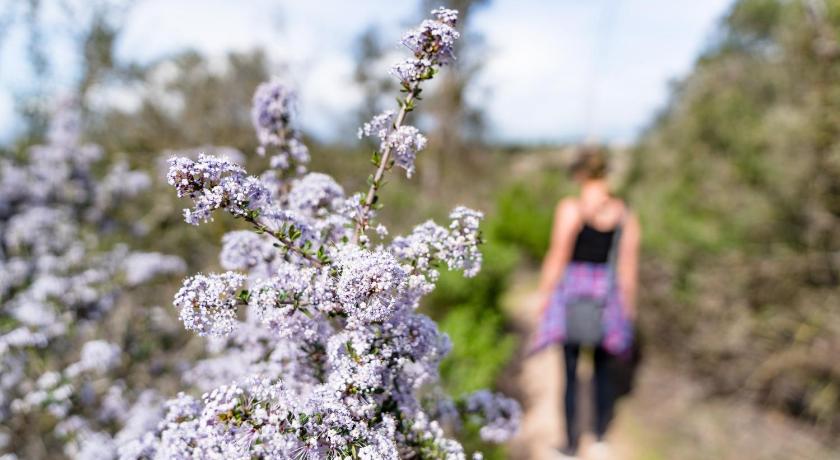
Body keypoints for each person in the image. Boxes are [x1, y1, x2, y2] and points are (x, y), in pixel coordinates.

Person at [531, 146, 640, 459]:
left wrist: (544, 296)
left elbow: (557, 256)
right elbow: (628, 267)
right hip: (608, 297)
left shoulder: (571, 209)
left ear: (579, 173)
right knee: (604, 370)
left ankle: (569, 444)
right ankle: (600, 438)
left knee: (570, 373)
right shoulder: (625, 213)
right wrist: (628, 307)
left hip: (573, 295)